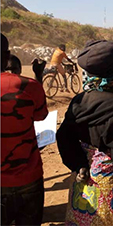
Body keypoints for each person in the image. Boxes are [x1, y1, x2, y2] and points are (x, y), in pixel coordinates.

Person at [56, 40, 113, 226]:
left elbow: (63, 136)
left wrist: (78, 165)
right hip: (109, 187)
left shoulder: (79, 101)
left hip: (84, 184)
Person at [1, 33, 49, 226]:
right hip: (28, 179)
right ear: (6, 57)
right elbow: (40, 116)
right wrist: (38, 76)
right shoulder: (29, 86)